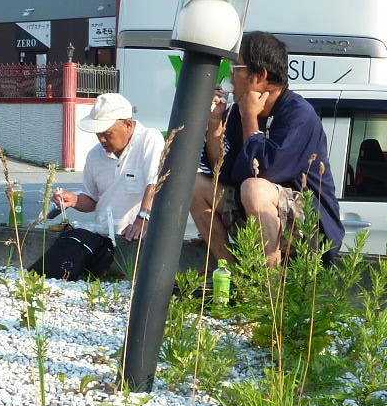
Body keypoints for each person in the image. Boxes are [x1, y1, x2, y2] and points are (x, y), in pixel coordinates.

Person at [191, 31, 341, 267]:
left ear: (259, 75)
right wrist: (214, 125)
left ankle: (265, 289)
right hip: (254, 209)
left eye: (236, 67)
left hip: (309, 225)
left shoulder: (298, 114)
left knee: (254, 188)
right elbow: (223, 171)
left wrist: (250, 116)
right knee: (195, 185)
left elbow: (262, 171)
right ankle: (231, 271)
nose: (230, 75)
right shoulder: (237, 112)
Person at [45, 93, 162, 280]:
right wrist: (74, 200)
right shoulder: (94, 155)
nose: (102, 140)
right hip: (103, 239)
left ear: (128, 124)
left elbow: (155, 183)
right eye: (98, 134)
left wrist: (143, 219)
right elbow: (92, 200)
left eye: (107, 134)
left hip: (140, 237)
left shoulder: (150, 139)